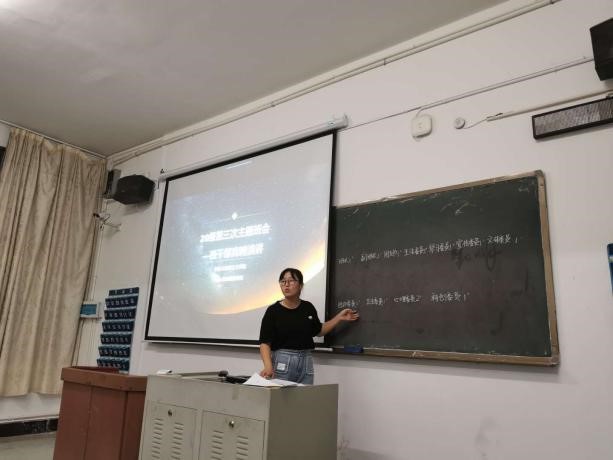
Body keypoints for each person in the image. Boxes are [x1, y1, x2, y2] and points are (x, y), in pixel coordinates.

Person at [258, 267, 359, 384]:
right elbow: (265, 343)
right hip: (283, 360)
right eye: (283, 281)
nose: (286, 285)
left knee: (306, 395)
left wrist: (339, 318)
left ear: (301, 285)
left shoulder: (308, 307)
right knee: (282, 396)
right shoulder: (273, 311)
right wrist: (268, 366)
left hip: (306, 360)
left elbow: (319, 330)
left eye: (291, 281)